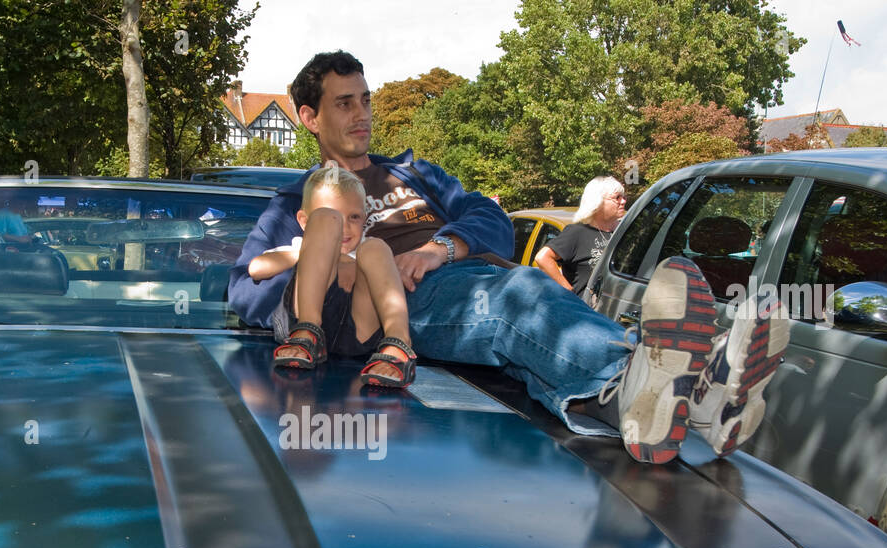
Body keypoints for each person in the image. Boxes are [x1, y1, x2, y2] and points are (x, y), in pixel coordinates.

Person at [228, 51, 789, 464]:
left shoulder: (417, 173)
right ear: (308, 117)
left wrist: (440, 246)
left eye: (366, 100)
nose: (362, 114)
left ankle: (685, 402)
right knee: (514, 301)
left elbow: (491, 218)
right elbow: (246, 289)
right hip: (402, 301)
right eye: (344, 103)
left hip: (470, 276)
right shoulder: (301, 202)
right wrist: (334, 283)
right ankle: (633, 376)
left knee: (523, 301)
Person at [249, 162, 416, 387]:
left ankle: (398, 343)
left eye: (354, 217)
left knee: (377, 247)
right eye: (338, 219)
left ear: (366, 219)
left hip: (358, 330)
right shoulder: (300, 246)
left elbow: (386, 283)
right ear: (304, 221)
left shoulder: (366, 251)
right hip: (301, 324)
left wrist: (360, 264)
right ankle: (308, 330)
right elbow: (256, 268)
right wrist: (309, 252)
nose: (345, 228)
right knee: (326, 223)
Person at [535, 176, 627, 299]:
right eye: (617, 198)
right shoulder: (577, 232)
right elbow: (543, 258)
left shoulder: (625, 231)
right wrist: (568, 292)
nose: (623, 201)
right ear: (597, 202)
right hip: (586, 312)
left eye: (624, 197)